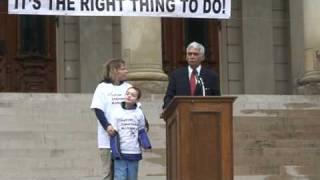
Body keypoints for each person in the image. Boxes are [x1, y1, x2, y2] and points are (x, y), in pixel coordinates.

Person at [90, 58, 131, 180]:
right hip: (107, 138)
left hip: (125, 139)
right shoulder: (102, 88)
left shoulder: (128, 87)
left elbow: (136, 108)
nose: (126, 71)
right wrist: (107, 126)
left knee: (122, 173)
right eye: (123, 69)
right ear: (115, 71)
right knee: (107, 173)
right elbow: (98, 109)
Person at [109, 87, 152, 180]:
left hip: (133, 151)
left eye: (133, 95)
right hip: (120, 152)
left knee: (132, 177)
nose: (129, 96)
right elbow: (113, 133)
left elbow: (141, 131)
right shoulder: (117, 112)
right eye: (127, 93)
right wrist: (114, 151)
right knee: (120, 177)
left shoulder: (139, 113)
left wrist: (146, 144)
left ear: (137, 99)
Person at [163, 41, 221, 109]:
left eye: (195, 54)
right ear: (186, 57)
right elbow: (168, 98)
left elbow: (217, 100)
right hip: (182, 114)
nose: (192, 57)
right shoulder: (176, 75)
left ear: (202, 57)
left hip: (204, 115)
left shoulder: (212, 76)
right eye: (189, 54)